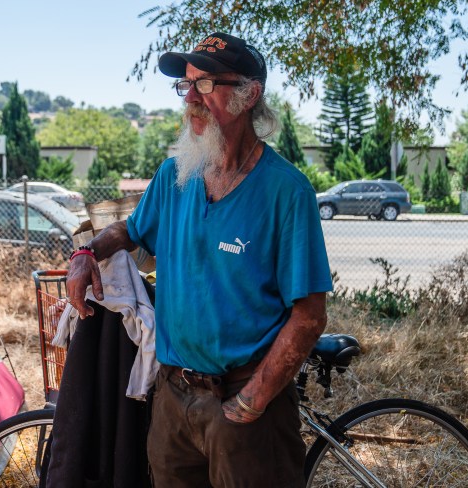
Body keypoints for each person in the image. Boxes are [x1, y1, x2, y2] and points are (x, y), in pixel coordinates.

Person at [66, 31, 333, 487]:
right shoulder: (175, 177)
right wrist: (88, 252)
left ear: (250, 94)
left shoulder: (287, 192)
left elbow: (308, 318)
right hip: (173, 404)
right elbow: (129, 231)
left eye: (206, 84)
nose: (190, 98)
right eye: (185, 85)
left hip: (246, 410)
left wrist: (252, 400)